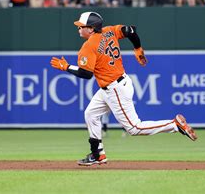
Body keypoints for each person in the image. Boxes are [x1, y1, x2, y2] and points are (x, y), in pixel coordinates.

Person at [50, 12, 197, 166]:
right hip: (114, 85)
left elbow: (86, 74)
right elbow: (130, 30)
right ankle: (97, 154)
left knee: (134, 128)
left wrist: (66, 67)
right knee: (90, 114)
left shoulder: (88, 46)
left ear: (91, 29)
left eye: (81, 26)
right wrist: (138, 48)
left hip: (115, 89)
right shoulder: (109, 31)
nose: (78, 28)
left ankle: (174, 125)